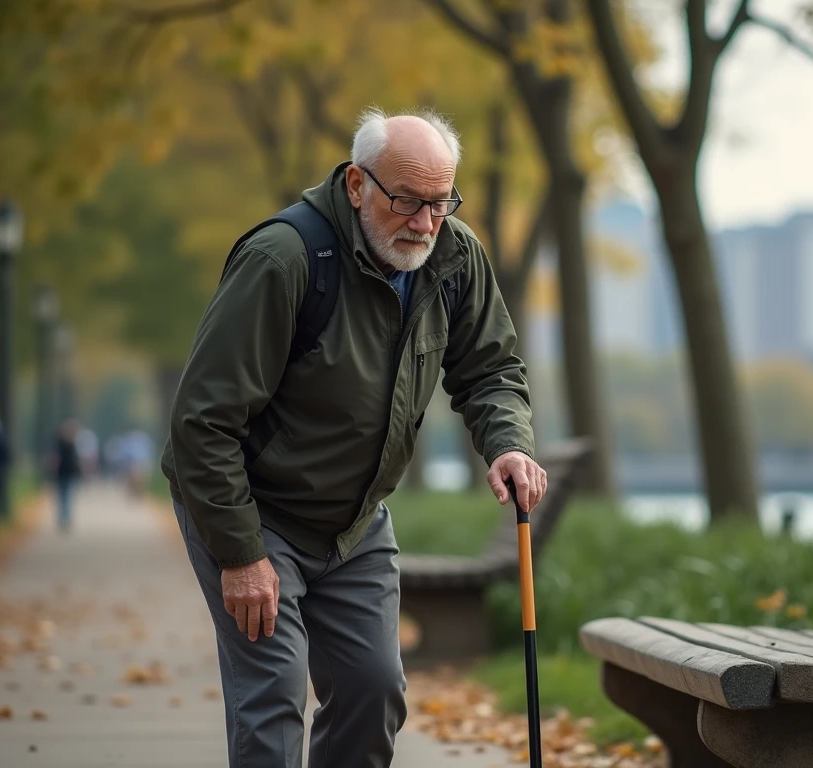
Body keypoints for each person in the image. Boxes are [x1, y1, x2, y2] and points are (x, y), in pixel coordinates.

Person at [161, 107, 546, 768]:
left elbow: (490, 369)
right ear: (356, 185)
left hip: (355, 523)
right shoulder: (283, 260)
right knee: (274, 698)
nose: (425, 223)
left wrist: (508, 442)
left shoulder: (454, 258)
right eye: (406, 201)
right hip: (257, 511)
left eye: (440, 202)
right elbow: (202, 422)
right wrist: (240, 552)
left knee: (374, 692)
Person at [52, 419, 83, 532]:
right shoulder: (62, 443)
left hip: (68, 472)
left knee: (66, 496)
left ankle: (65, 517)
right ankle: (64, 517)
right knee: (63, 496)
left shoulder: (70, 443)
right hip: (63, 472)